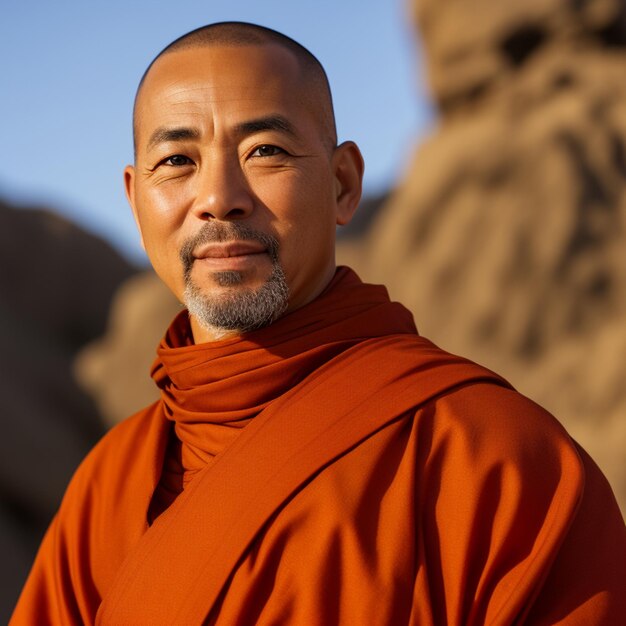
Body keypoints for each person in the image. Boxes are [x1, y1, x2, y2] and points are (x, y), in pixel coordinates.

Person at [11, 21, 625, 626]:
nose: (218, 196)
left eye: (265, 152)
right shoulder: (108, 484)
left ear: (342, 184)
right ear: (133, 197)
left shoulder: (490, 454)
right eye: (177, 160)